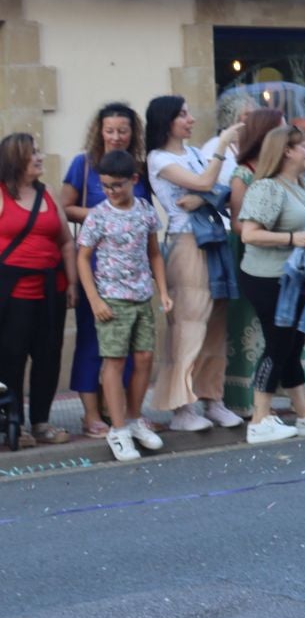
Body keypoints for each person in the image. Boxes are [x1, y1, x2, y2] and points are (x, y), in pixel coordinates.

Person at [233, 124, 305, 443]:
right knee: (279, 345)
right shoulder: (268, 188)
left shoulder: (302, 186)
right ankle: (259, 419)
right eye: (303, 146)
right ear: (286, 151)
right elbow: (249, 233)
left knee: (293, 345)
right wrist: (290, 238)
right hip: (268, 277)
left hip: (297, 278)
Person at [145, 96, 246, 433]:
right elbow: (208, 183)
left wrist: (203, 195)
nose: (190, 119)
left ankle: (212, 399)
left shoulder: (192, 154)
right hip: (186, 243)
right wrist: (223, 146)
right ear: (167, 121)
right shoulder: (158, 158)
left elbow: (216, 191)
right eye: (183, 115)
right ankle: (181, 406)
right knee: (189, 325)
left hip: (212, 239)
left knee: (217, 322)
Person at [58, 102, 146, 439]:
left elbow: (146, 212)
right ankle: (91, 414)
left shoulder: (138, 168)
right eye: (109, 130)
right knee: (93, 342)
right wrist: (104, 215)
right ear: (100, 131)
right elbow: (63, 206)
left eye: (122, 130)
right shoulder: (83, 165)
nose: (116, 136)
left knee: (126, 346)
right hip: (94, 268)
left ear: (132, 133)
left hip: (132, 273)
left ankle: (117, 412)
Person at [75, 149, 170, 460]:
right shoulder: (99, 216)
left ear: (133, 180)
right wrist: (94, 300)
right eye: (105, 186)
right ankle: (117, 429)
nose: (111, 192)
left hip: (142, 296)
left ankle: (132, 419)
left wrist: (163, 291)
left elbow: (154, 252)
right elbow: (83, 258)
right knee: (113, 362)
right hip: (112, 299)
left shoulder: (144, 210)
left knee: (143, 358)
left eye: (117, 185)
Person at [1, 133, 80, 446]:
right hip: (13, 291)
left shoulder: (47, 194)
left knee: (48, 356)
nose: (39, 156)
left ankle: (42, 422)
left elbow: (66, 242)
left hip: (51, 288)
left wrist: (72, 282)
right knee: (10, 358)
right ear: (15, 159)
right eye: (32, 152)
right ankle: (13, 423)